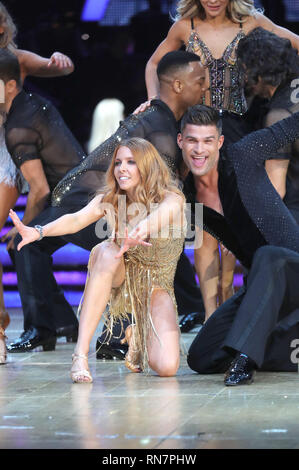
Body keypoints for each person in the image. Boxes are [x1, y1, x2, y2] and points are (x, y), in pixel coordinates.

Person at [9, 50, 206, 354]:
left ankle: (65, 327)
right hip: (88, 203)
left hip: (83, 200)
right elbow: (166, 197)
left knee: (139, 235)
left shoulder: (158, 118)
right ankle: (109, 333)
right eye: (200, 81)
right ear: (178, 85)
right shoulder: (159, 126)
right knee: (130, 239)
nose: (205, 87)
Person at [137, 0, 299, 322]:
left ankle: (230, 307)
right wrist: (158, 103)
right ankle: (212, 315)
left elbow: (292, 43)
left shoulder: (250, 22)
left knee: (236, 224)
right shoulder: (185, 26)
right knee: (205, 224)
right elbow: (154, 64)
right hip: (199, 129)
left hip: (238, 131)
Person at [10, 137, 186, 382]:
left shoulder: (172, 198)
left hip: (157, 287)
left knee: (167, 367)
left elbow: (158, 218)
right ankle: (80, 355)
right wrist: (38, 231)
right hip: (121, 277)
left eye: (131, 162)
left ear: (146, 165)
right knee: (106, 250)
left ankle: (136, 335)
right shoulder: (111, 198)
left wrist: (140, 229)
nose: (122, 168)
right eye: (118, 162)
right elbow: (75, 220)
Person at [178, 104, 299, 386]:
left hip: (292, 269)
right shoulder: (186, 196)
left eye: (208, 141)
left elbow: (291, 126)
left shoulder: (243, 154)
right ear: (180, 141)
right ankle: (268, 344)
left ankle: (246, 358)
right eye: (193, 140)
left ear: (219, 142)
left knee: (269, 257)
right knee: (202, 357)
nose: (200, 150)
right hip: (263, 287)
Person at [0, 1, 74, 362]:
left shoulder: (16, 61)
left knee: (22, 242)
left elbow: (59, 67)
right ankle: (60, 321)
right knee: (26, 245)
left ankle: (24, 325)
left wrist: (61, 60)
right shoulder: (24, 105)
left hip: (18, 157)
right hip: (24, 149)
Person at [236, 27, 299, 221]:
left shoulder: (278, 115)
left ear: (258, 72)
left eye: (245, 71)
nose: (244, 79)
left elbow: (275, 191)